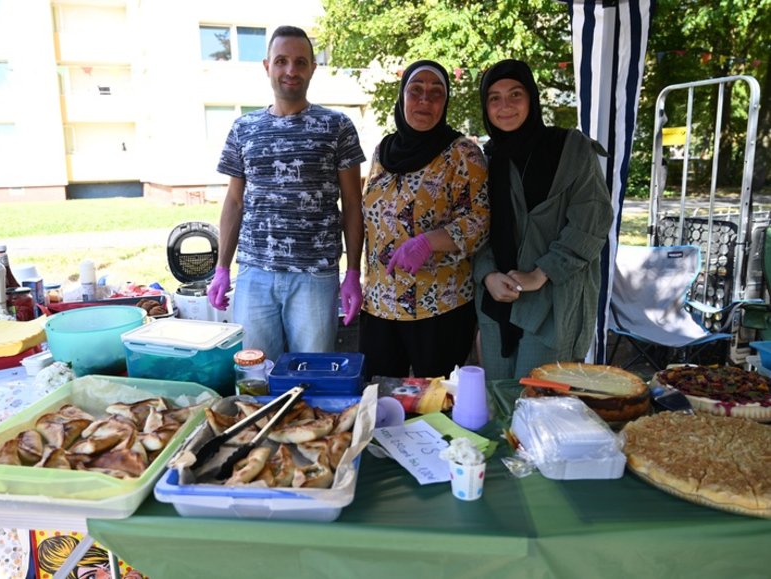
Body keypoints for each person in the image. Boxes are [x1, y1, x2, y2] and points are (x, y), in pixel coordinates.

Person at [207, 25, 366, 362]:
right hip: (254, 277)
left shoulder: (337, 126)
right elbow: (234, 202)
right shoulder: (243, 128)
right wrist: (222, 268)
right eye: (281, 61)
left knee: (311, 376)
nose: (290, 70)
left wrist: (353, 272)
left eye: (300, 62)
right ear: (267, 66)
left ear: (312, 68)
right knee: (256, 375)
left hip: (315, 277)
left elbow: (353, 204)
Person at [473, 59, 613, 381]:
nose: (505, 106)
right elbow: (475, 226)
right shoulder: (485, 159)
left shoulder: (570, 148)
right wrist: (487, 275)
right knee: (501, 401)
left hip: (554, 301)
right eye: (494, 98)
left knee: (540, 407)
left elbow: (591, 220)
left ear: (532, 98)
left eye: (515, 94)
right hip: (498, 299)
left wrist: (540, 273)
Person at [359, 59, 490, 380]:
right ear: (402, 96)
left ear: (445, 103)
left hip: (439, 309)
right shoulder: (382, 150)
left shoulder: (463, 153)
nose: (424, 101)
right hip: (379, 306)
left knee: (436, 407)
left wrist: (428, 242)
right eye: (415, 91)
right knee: (381, 405)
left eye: (436, 94)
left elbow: (481, 221)